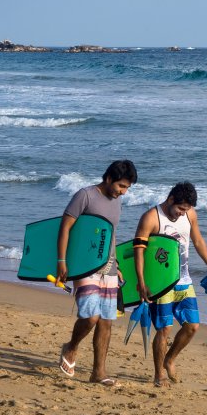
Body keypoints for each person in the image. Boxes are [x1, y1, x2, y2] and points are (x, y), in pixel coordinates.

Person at [56, 159, 138, 386]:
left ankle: (98, 373)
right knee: (91, 316)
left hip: (109, 266)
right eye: (121, 186)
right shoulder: (85, 195)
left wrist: (118, 265)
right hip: (85, 265)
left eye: (128, 188)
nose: (123, 192)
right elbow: (65, 227)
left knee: (106, 321)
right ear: (109, 178)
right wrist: (62, 261)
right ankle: (71, 347)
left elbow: (108, 236)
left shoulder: (117, 202)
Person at [133, 182, 207, 387]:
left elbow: (198, 241)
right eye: (181, 208)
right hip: (161, 283)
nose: (182, 214)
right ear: (171, 199)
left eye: (187, 209)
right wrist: (141, 282)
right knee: (164, 330)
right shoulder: (151, 218)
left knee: (192, 326)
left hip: (184, 280)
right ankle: (158, 375)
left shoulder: (189, 215)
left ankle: (169, 359)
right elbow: (138, 251)